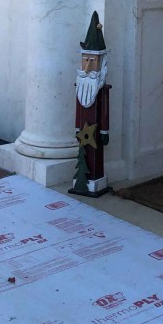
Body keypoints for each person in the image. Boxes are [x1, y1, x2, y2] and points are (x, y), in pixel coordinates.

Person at [70, 11, 111, 197]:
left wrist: (104, 132)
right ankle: (83, 184)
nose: (86, 67)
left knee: (95, 158)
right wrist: (78, 128)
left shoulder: (102, 90)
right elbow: (79, 109)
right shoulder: (80, 85)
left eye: (92, 61)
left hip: (95, 133)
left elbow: (104, 113)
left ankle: (95, 181)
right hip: (84, 133)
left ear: (100, 62)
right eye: (85, 60)